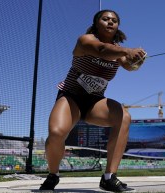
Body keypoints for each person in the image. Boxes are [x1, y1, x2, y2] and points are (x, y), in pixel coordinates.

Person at [39, 9, 146, 192]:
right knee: (56, 133)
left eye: (114, 20)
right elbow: (102, 50)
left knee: (124, 116)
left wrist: (137, 61)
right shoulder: (85, 41)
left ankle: (109, 177)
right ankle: (53, 175)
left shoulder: (118, 50)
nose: (110, 22)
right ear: (97, 23)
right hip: (71, 96)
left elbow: (129, 66)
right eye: (105, 19)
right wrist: (128, 50)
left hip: (95, 102)